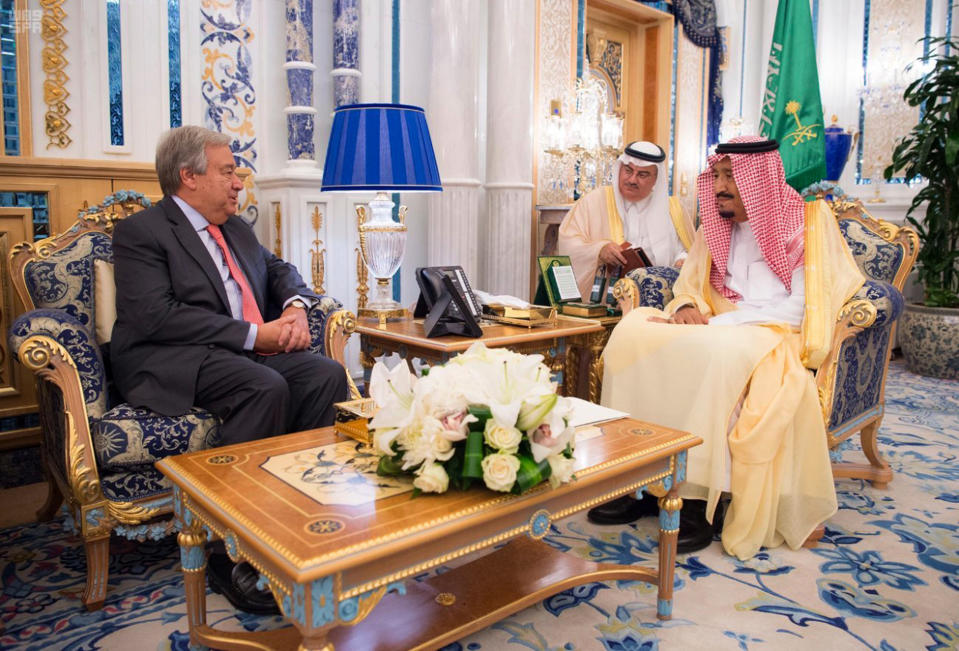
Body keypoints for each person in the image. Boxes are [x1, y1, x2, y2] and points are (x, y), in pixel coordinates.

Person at [111, 125, 349, 614]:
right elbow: (155, 315)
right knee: (263, 386)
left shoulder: (236, 226)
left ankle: (295, 514)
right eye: (228, 172)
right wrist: (252, 335)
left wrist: (296, 307)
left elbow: (280, 269)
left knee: (324, 373)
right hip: (173, 354)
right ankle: (227, 546)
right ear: (188, 177)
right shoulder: (142, 232)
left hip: (237, 351)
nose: (239, 182)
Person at [597, 136, 864, 559]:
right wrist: (685, 305)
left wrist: (723, 323)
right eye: (716, 175)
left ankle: (696, 502)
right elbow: (690, 284)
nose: (719, 186)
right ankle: (636, 480)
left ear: (759, 180)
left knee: (716, 353)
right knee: (632, 331)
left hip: (772, 331)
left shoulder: (806, 223)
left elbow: (806, 304)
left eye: (731, 176)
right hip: (719, 326)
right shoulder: (716, 225)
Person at [557, 141, 694, 301]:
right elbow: (568, 243)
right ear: (620, 168)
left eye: (642, 175)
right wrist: (599, 251)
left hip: (660, 301)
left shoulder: (673, 209)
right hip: (605, 302)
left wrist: (682, 260)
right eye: (628, 171)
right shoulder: (594, 201)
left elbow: (685, 250)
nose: (632, 179)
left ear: (656, 178)